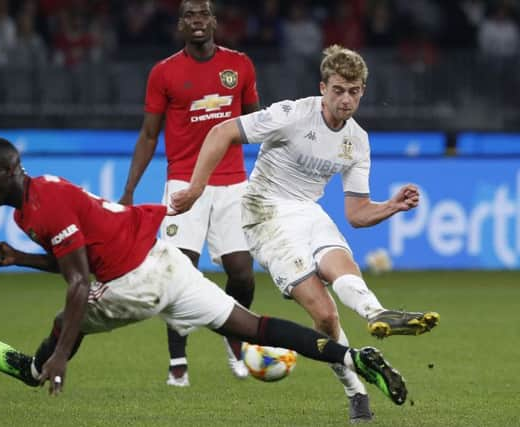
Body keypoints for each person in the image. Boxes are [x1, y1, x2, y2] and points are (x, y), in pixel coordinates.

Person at [0, 137, 407, 407]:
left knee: (66, 320)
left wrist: (62, 352)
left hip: (137, 279)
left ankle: (35, 370)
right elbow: (75, 261)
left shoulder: (42, 208)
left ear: (10, 171)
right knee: (252, 326)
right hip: (164, 260)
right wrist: (22, 258)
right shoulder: (33, 204)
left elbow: (79, 281)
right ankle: (353, 357)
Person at [169, 45, 440, 423]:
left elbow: (357, 215)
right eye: (339, 90)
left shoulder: (357, 140)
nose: (346, 99)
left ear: (363, 91)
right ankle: (357, 391)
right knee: (325, 315)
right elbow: (220, 132)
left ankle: (377, 314)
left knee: (341, 268)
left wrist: (391, 206)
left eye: (354, 91)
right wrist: (197, 188)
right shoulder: (292, 114)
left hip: (308, 212)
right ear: (323, 87)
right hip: (264, 213)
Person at [118, 0, 258, 387]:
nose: (197, 21)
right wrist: (129, 191)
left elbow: (255, 121)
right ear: (180, 25)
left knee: (242, 273)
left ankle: (236, 338)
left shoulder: (240, 66)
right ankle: (177, 361)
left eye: (204, 15)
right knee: (178, 271)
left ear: (214, 21)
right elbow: (149, 135)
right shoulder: (163, 72)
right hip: (182, 181)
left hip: (231, 181)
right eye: (190, 16)